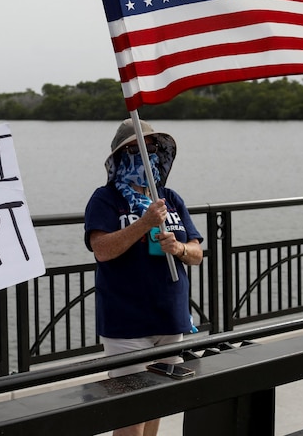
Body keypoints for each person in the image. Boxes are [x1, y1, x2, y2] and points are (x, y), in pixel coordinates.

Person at [84, 118, 203, 436]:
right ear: (121, 157)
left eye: (151, 148)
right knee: (130, 415)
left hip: (169, 319)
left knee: (156, 407)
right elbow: (101, 250)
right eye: (135, 149)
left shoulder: (170, 198)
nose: (145, 154)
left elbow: (197, 253)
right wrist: (144, 223)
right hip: (127, 324)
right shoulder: (105, 199)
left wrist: (178, 247)